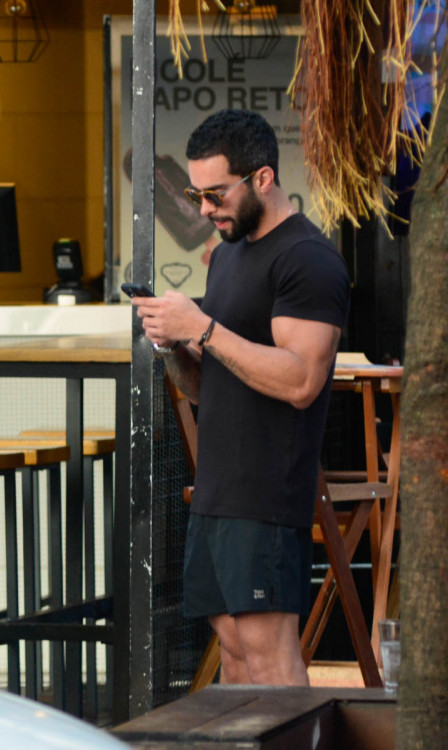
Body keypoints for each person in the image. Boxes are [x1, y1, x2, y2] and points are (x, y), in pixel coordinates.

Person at [133, 109, 350, 687]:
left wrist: (201, 328)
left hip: (268, 486)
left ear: (261, 179)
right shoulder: (228, 254)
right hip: (218, 485)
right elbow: (209, 385)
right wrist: (175, 345)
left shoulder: (306, 257)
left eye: (214, 193)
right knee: (233, 655)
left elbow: (301, 380)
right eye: (195, 194)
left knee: (269, 656)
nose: (204, 209)